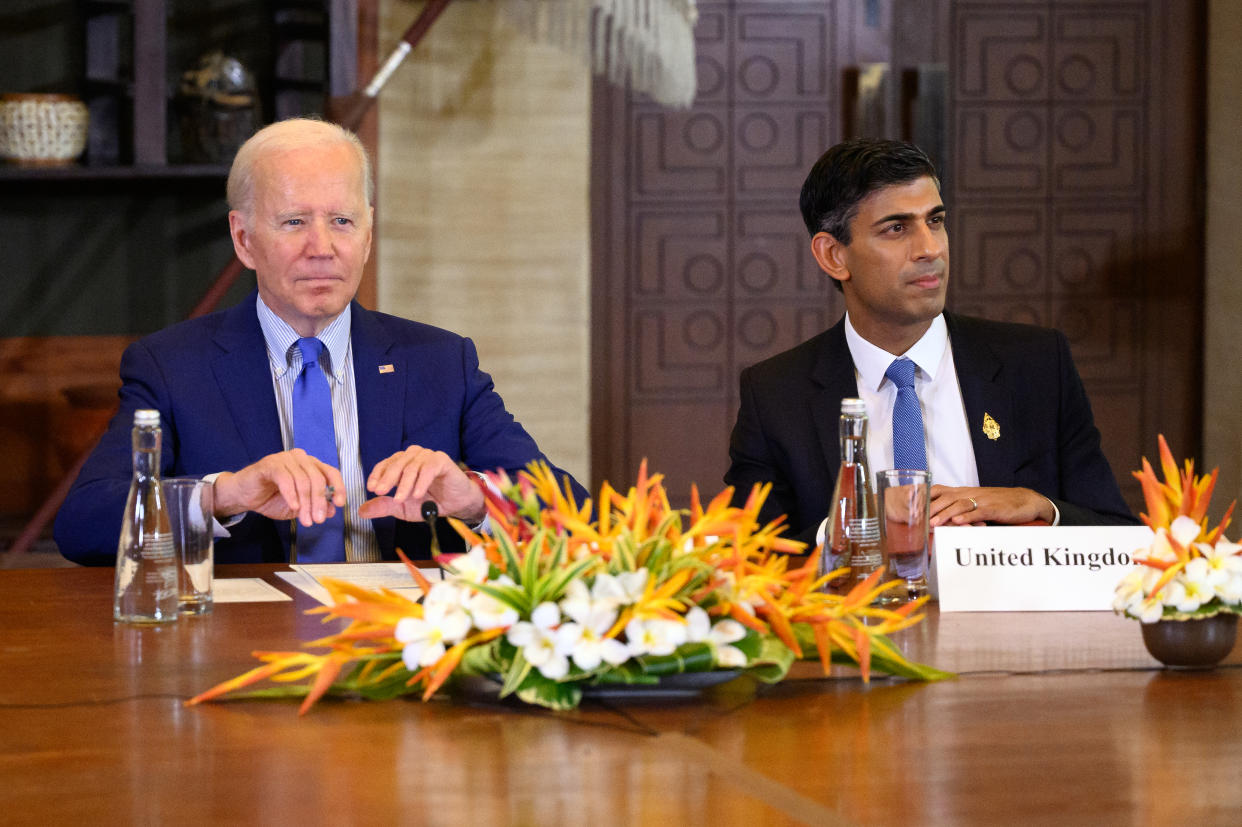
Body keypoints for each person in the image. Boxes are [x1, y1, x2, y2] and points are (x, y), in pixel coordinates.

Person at [55, 117, 585, 566]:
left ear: (369, 233)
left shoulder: (440, 362)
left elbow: (576, 518)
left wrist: (471, 499)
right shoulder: (172, 366)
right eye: (293, 221)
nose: (322, 247)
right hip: (238, 648)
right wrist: (222, 496)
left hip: (400, 640)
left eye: (342, 221)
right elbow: (85, 523)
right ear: (243, 239)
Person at [724, 138, 1135, 549]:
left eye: (935, 221)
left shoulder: (1036, 365)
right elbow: (747, 561)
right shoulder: (777, 395)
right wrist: (852, 527)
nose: (930, 248)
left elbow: (1120, 536)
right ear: (834, 255)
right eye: (897, 228)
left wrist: (1040, 507)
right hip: (858, 612)